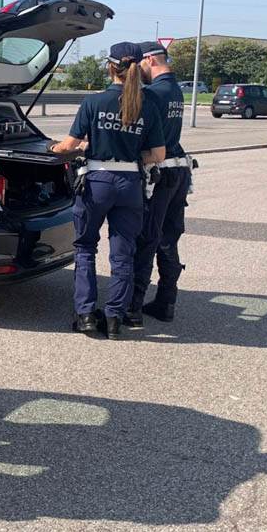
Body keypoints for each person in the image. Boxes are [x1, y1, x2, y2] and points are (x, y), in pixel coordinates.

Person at [48, 42, 166, 340]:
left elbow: (69, 146)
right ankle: (114, 319)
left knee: (86, 248)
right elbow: (159, 154)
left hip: (97, 183)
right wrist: (131, 156)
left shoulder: (94, 102)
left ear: (110, 67)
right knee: (123, 254)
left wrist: (54, 148)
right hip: (130, 187)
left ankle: (86, 315)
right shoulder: (148, 105)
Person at [129, 40, 193, 324]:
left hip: (159, 173)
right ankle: (167, 300)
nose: (138, 69)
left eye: (140, 64)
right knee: (169, 236)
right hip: (179, 171)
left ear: (150, 60)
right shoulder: (176, 90)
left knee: (147, 237)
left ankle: (133, 306)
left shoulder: (153, 94)